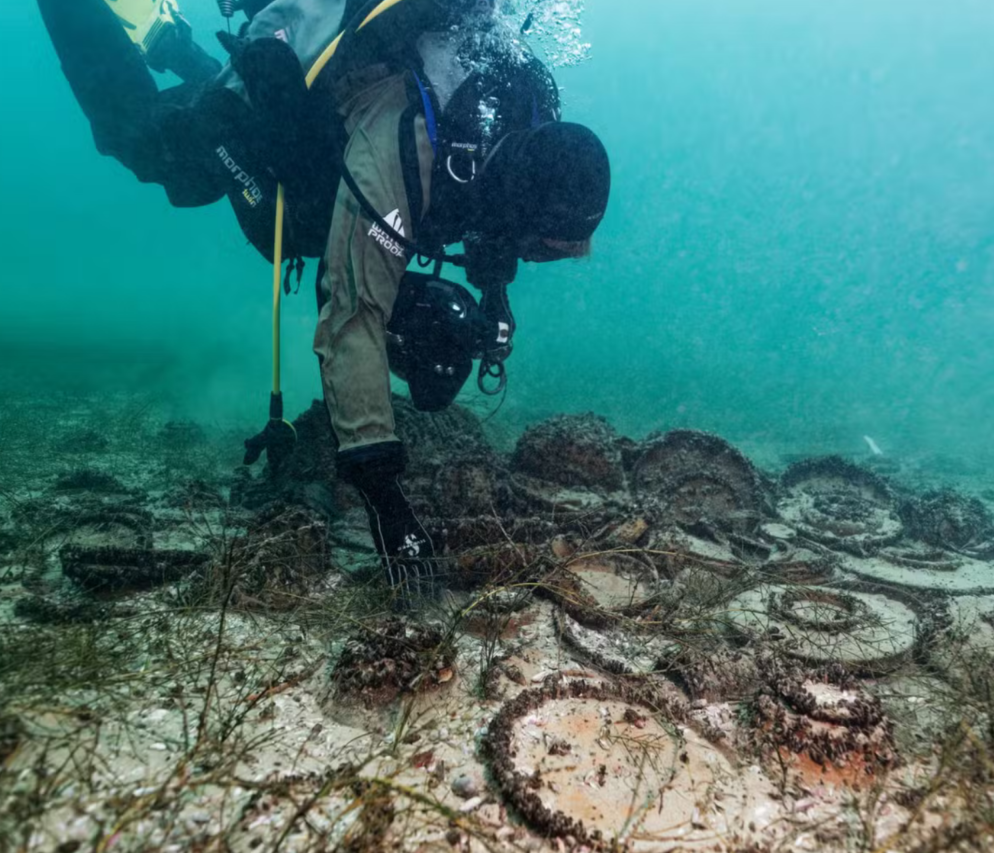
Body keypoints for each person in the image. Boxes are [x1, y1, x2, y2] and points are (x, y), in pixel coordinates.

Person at [35, 0, 612, 598]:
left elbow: (500, 223)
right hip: (310, 142)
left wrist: (495, 297)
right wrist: (383, 496)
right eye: (544, 248)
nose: (543, 258)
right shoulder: (405, 139)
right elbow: (352, 313)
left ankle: (178, 50)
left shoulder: (525, 108)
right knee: (154, 148)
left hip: (332, 138)